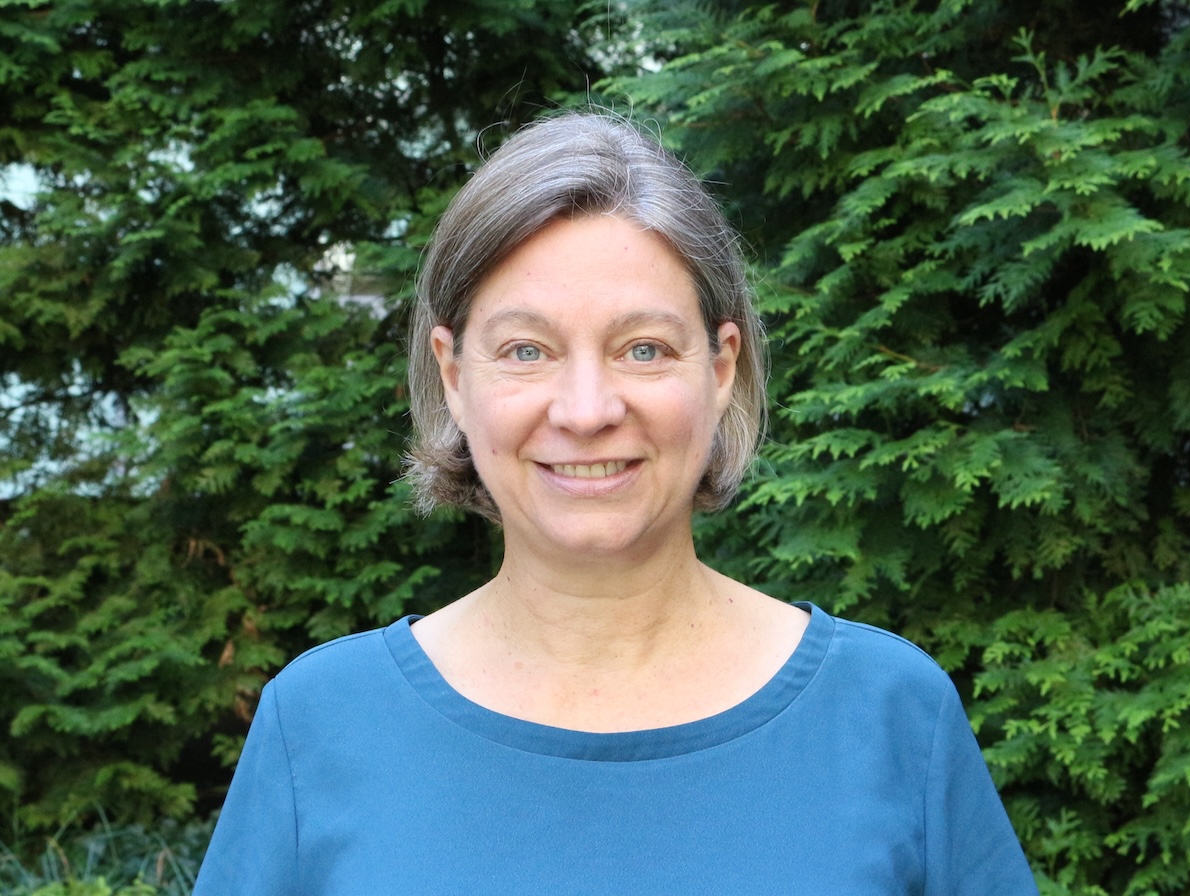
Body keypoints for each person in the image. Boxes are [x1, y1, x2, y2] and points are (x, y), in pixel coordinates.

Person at [192, 111, 1039, 895]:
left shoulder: (890, 715)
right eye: (527, 351)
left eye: (643, 349)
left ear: (721, 368)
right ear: (453, 375)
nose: (587, 410)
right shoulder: (321, 724)